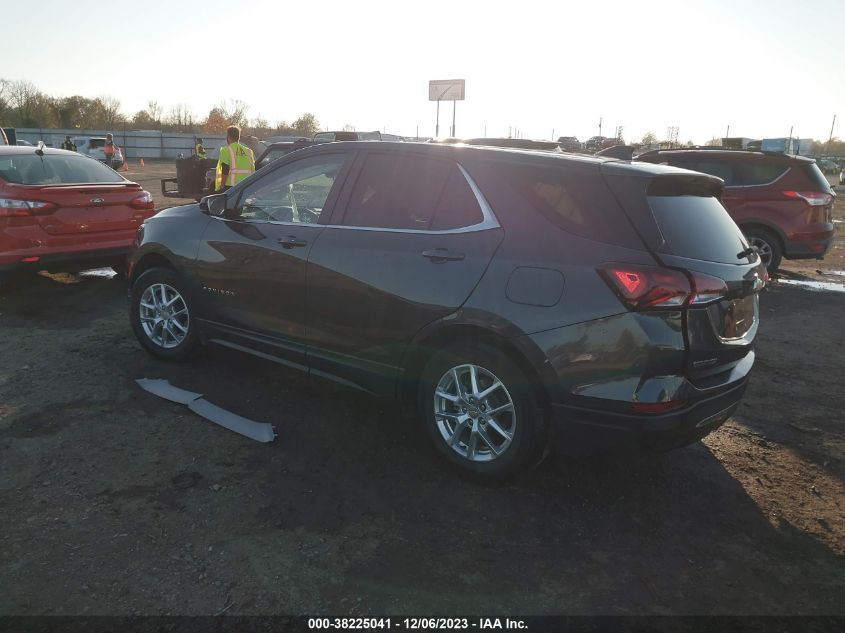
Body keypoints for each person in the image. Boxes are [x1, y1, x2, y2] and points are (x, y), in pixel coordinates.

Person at [215, 126, 255, 192]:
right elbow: (253, 169)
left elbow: (225, 170)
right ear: (238, 137)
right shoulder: (249, 151)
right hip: (246, 186)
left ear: (228, 137)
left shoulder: (226, 150)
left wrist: (222, 186)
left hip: (231, 186)